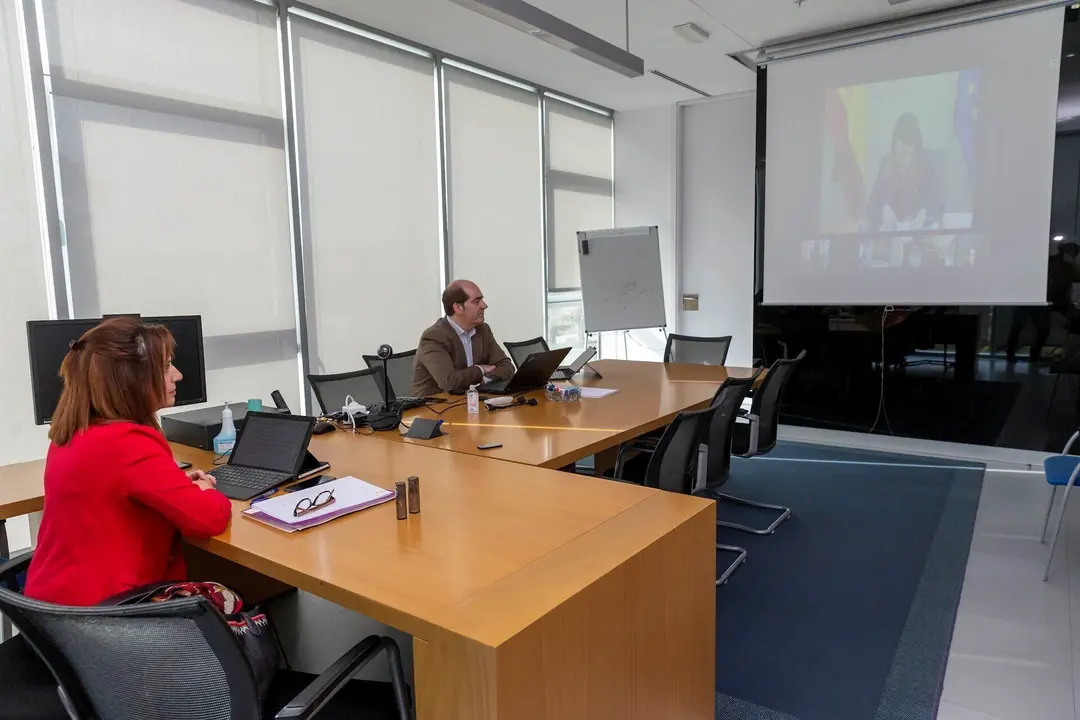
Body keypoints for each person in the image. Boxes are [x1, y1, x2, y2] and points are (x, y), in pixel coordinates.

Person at [24, 317, 232, 606]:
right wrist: (208, 492)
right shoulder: (128, 442)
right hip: (110, 617)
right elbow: (209, 519)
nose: (178, 375)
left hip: (55, 613)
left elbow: (113, 495)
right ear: (130, 379)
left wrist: (174, 487)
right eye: (165, 367)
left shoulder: (72, 433)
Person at [411, 280, 515, 396]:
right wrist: (480, 370)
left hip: (470, 402)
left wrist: (482, 380)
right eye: (477, 301)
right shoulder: (434, 337)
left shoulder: (483, 330)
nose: (484, 305)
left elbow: (507, 367)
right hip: (434, 408)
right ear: (458, 308)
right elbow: (450, 382)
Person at [865, 113, 945, 234]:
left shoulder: (927, 163)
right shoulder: (887, 164)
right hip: (892, 241)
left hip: (921, 239)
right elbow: (870, 209)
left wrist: (925, 212)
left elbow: (939, 205)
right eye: (899, 153)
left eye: (908, 154)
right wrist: (883, 209)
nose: (903, 161)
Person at [1006, 242, 1080, 364]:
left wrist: (1073, 264)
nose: (1070, 254)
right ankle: (1013, 354)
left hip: (1044, 299)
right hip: (1031, 297)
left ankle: (1033, 355)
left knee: (1041, 329)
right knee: (1019, 325)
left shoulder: (1068, 266)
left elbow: (1077, 278)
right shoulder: (1051, 261)